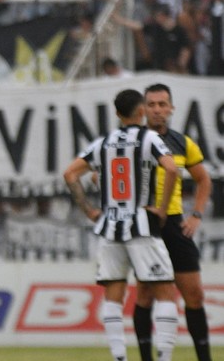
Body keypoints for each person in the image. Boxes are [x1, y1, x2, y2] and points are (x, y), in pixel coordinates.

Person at [62, 89, 179, 361]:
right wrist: (161, 209)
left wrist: (89, 210)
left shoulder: (102, 142)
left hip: (109, 227)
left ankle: (119, 358)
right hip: (140, 224)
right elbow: (172, 169)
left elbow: (70, 174)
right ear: (142, 111)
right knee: (164, 292)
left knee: (114, 295)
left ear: (117, 114)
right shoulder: (149, 138)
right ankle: (163, 358)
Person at [133, 84, 213, 361]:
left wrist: (197, 214)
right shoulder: (134, 140)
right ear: (143, 109)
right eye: (152, 105)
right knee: (145, 294)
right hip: (144, 224)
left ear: (171, 108)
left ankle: (205, 357)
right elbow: (102, 174)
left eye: (162, 104)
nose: (157, 110)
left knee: (194, 295)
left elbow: (204, 179)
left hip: (175, 223)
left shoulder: (182, 142)